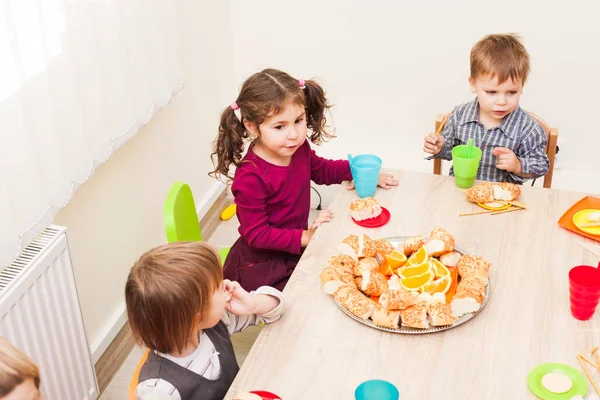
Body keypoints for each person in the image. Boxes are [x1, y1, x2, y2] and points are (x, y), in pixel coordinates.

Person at [210, 68, 398, 291]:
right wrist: (306, 236)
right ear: (252, 127)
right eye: (280, 126)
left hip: (293, 250)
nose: (293, 134)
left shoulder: (296, 149)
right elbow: (258, 235)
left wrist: (357, 172)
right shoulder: (250, 176)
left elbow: (321, 170)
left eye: (298, 121)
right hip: (262, 266)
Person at [126, 241, 285, 400]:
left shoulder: (218, 321)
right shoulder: (160, 390)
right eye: (217, 286)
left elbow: (274, 311)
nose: (226, 284)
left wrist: (253, 304)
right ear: (195, 316)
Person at [423, 33, 549, 183]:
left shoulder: (528, 129)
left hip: (502, 199)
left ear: (522, 87)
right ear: (473, 84)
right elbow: (450, 150)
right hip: (460, 192)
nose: (501, 101)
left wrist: (518, 165)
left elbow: (541, 165)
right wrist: (440, 147)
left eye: (511, 92)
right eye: (491, 92)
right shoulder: (459, 115)